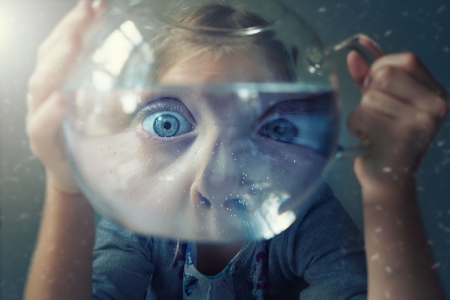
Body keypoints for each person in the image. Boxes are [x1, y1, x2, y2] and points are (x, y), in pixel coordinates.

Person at [24, 0, 447, 299]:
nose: (217, 182)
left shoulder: (305, 217)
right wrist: (65, 183)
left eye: (275, 128)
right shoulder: (142, 215)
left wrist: (389, 187)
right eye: (167, 123)